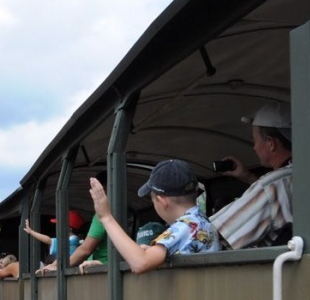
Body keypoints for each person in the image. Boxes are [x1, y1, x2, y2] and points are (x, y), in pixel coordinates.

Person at [90, 159, 221, 274]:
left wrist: (106, 217)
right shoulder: (201, 221)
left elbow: (141, 263)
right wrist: (109, 267)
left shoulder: (187, 226)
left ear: (162, 201)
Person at [210, 102, 293, 249]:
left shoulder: (271, 185)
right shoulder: (309, 173)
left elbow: (216, 234)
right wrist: (248, 177)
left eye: (254, 140)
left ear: (271, 143)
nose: (254, 147)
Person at [40, 172, 109, 273]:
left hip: (103, 273)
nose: (92, 192)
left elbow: (85, 249)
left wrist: (57, 266)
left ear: (103, 188)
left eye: (94, 188)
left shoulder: (102, 214)